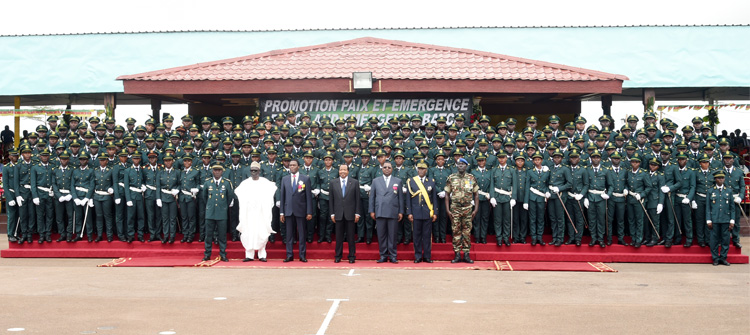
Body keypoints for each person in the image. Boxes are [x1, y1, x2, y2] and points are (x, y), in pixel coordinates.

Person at [235, 162, 277, 262]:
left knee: (261, 232)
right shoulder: (245, 183)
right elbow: (238, 193)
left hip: (261, 213)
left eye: (256, 170)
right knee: (248, 232)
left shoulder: (265, 183)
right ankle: (249, 255)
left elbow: (272, 191)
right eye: (252, 171)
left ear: (259, 171)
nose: (254, 172)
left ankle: (262, 255)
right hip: (249, 213)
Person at [369, 160, 404, 263]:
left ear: (392, 169)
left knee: (392, 235)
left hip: (393, 211)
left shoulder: (398, 181)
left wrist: (401, 211)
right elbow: (372, 197)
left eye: (389, 167)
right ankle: (383, 255)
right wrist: (371, 210)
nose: (387, 169)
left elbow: (400, 198)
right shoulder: (375, 181)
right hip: (379, 211)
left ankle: (393, 256)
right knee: (381, 235)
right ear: (382, 169)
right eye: (385, 167)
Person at [445, 158, 478, 263]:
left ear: (466, 166)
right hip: (455, 208)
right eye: (459, 164)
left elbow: (476, 194)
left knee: (467, 232)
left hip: (468, 208)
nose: (461, 166)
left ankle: (467, 254)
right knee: (456, 231)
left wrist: (476, 209)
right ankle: (457, 254)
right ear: (456, 166)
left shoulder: (471, 178)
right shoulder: (451, 178)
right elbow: (446, 194)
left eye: (463, 164)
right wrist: (447, 209)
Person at [279, 159, 313, 262]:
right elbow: (282, 196)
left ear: (298, 166)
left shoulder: (305, 179)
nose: (292, 167)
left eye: (294, 165)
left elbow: (308, 197)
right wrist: (282, 212)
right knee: (289, 234)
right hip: (288, 210)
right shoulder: (284, 179)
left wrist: (309, 211)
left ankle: (302, 255)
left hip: (301, 210)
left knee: (302, 234)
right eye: (290, 165)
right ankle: (289, 255)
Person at [329, 164, 361, 263]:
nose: (342, 171)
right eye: (341, 170)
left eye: (344, 170)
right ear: (338, 171)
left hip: (350, 213)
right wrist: (332, 214)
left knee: (351, 237)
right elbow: (331, 200)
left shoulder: (354, 182)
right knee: (338, 237)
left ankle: (351, 256)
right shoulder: (333, 182)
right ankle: (338, 256)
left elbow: (357, 199)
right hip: (338, 214)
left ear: (348, 171)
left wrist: (357, 213)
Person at [406, 161, 437, 263]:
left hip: (427, 212)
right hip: (416, 213)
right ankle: (418, 256)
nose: (421, 170)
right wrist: (409, 212)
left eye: (423, 169)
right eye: (419, 168)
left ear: (426, 170)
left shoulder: (431, 181)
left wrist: (435, 212)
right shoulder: (411, 181)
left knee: (427, 236)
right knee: (417, 236)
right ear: (417, 169)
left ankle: (427, 256)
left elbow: (434, 199)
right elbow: (408, 199)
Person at [202, 164, 234, 262]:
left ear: (222, 172)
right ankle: (207, 254)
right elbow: (204, 197)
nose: (217, 172)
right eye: (215, 170)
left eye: (219, 170)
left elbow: (229, 197)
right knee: (208, 235)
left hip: (221, 213)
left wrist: (224, 206)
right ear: (212, 171)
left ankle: (223, 254)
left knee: (222, 235)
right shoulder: (208, 183)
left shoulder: (227, 183)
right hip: (210, 213)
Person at [706, 170, 735, 266]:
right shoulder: (710, 191)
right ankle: (715, 258)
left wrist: (732, 220)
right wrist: (709, 219)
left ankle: (723, 258)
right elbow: (708, 207)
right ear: (715, 179)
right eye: (719, 178)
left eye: (722, 178)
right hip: (714, 219)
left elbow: (732, 207)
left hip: (726, 219)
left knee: (725, 240)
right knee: (714, 240)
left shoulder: (729, 191)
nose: (721, 180)